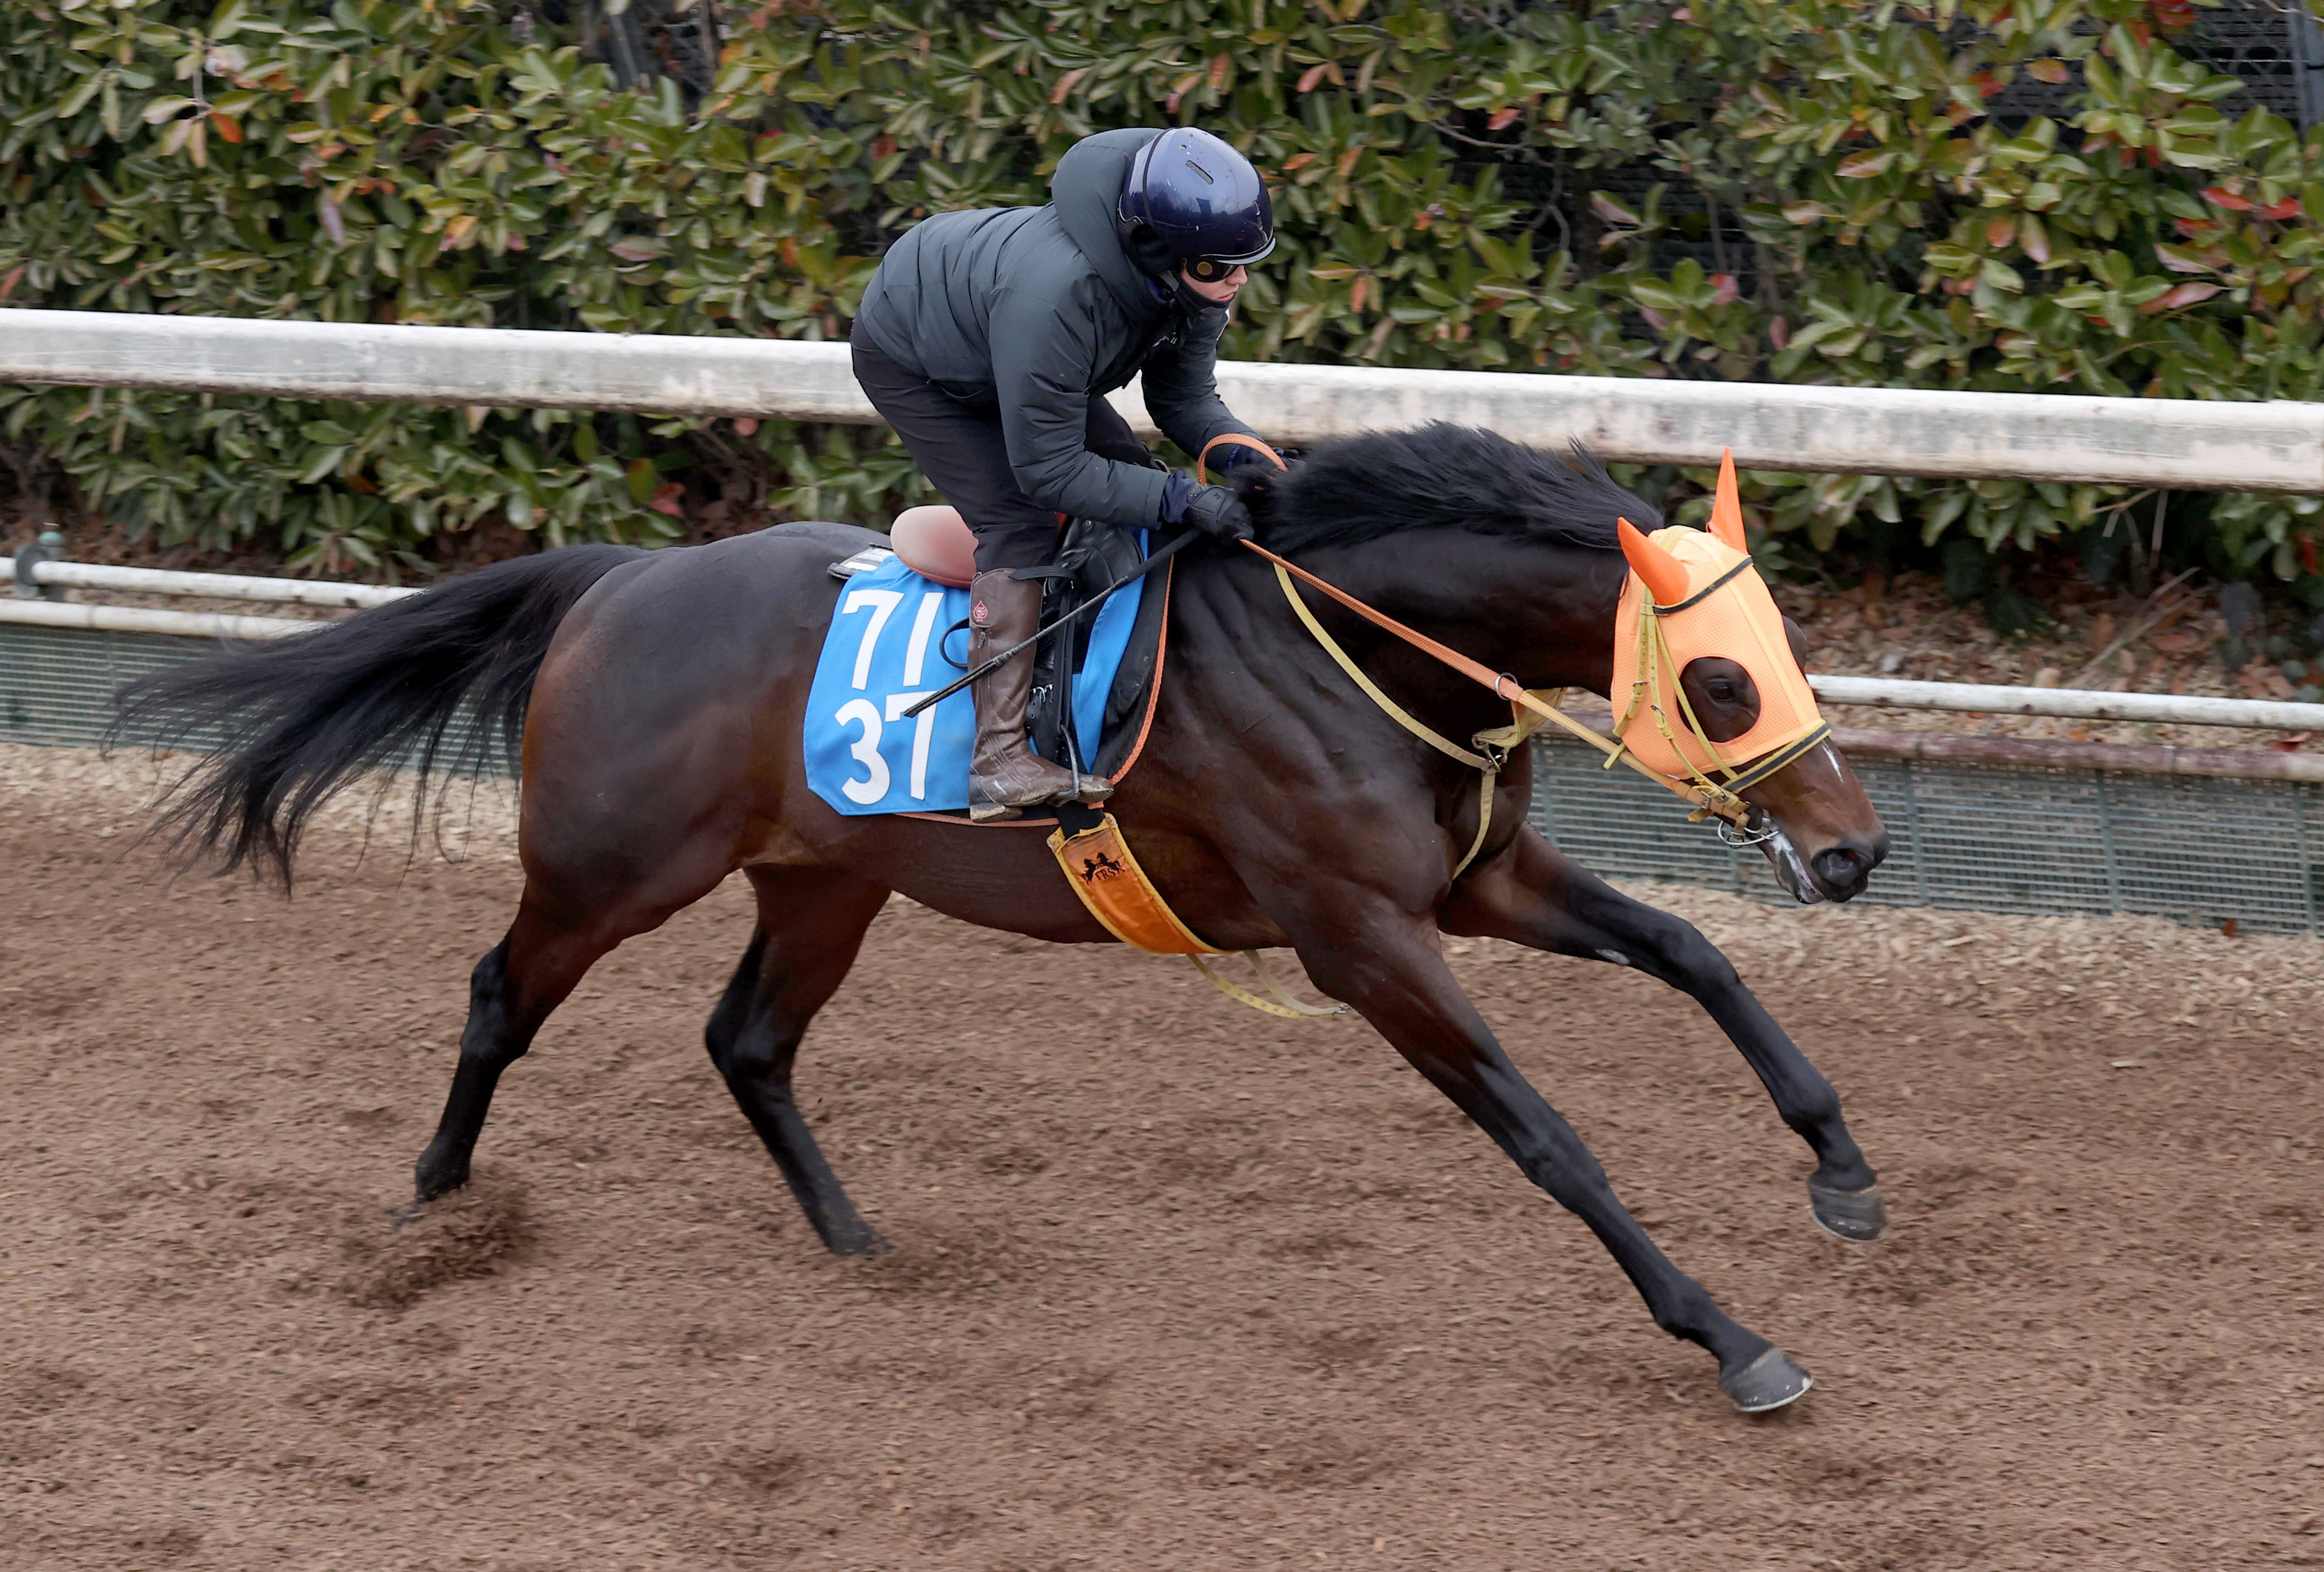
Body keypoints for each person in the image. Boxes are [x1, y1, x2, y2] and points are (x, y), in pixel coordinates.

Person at [851, 126, 1277, 820]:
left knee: (1135, 480)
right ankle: (997, 760)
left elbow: (1183, 398)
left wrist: (1255, 465)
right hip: (916, 356)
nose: (1237, 281)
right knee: (1021, 522)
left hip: (1005, 339)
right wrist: (1181, 497)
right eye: (1218, 269)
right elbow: (1047, 470)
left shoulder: (1195, 268)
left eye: (1247, 262)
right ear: (1156, 253)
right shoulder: (1060, 294)